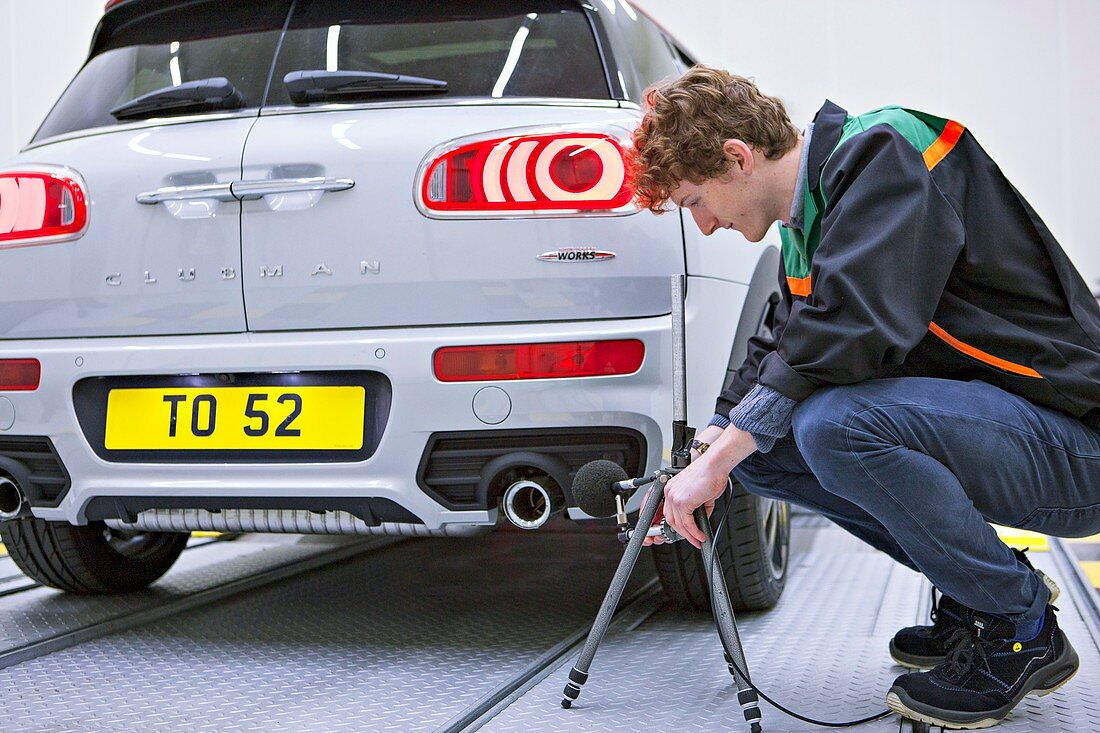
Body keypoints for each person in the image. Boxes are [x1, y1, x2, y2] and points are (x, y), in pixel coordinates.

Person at [629, 64, 1100, 729]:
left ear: (735, 158)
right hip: (1016, 436)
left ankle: (1019, 624)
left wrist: (725, 448)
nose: (704, 227)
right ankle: (975, 591)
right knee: (760, 454)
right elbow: (781, 343)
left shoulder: (889, 150)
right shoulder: (811, 224)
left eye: (696, 202)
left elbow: (853, 325)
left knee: (833, 425)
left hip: (1078, 441)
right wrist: (711, 444)